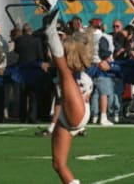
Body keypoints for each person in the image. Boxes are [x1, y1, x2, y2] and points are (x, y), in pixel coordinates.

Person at [44, 11, 94, 184]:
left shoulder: (69, 69)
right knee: (58, 164)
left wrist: (50, 31)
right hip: (71, 113)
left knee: (64, 72)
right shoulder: (73, 68)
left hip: (75, 111)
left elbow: (58, 55)